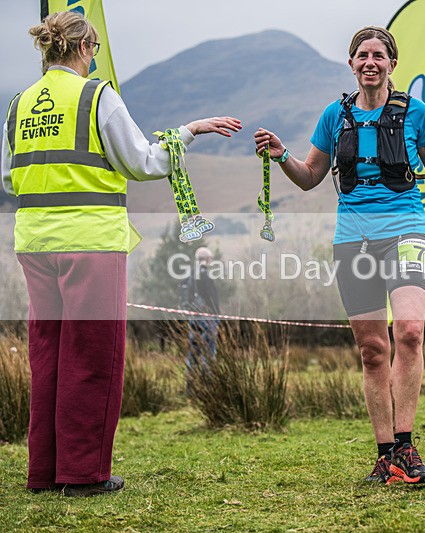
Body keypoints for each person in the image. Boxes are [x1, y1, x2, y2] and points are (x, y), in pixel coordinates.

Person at [2, 12, 241, 496]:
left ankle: (44, 473)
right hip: (91, 242)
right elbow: (144, 161)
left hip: (34, 242)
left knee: (47, 353)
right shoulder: (97, 96)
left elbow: (10, 177)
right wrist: (188, 131)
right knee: (92, 355)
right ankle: (84, 473)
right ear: (85, 48)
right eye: (93, 50)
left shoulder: (19, 104)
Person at [254, 26, 425, 485]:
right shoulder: (333, 117)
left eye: (379, 55)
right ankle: (384, 456)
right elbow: (309, 177)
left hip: (407, 232)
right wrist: (282, 156)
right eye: (362, 55)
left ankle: (406, 446)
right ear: (352, 63)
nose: (370, 62)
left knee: (411, 333)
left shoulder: (415, 114)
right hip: (352, 240)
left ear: (392, 65)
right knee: (373, 350)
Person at [184, 246, 221, 394]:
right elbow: (212, 299)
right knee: (208, 352)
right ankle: (208, 387)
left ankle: (190, 388)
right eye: (211, 259)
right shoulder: (205, 276)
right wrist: (216, 315)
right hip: (207, 319)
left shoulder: (191, 275)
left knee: (193, 352)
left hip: (194, 318)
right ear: (207, 259)